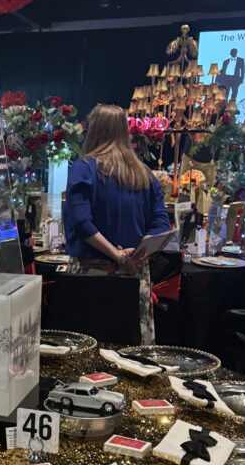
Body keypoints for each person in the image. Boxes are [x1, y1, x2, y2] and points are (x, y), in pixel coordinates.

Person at [63, 104, 170, 343]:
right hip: (134, 275)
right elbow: (162, 224)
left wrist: (116, 254)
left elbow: (82, 223)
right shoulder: (144, 173)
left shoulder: (84, 169)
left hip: (91, 276)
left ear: (93, 130)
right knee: (131, 352)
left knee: (89, 350)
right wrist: (139, 253)